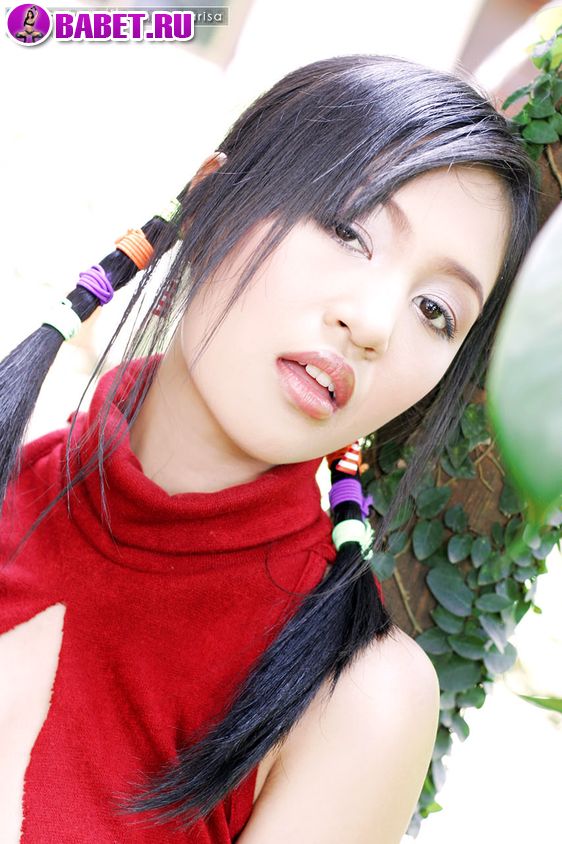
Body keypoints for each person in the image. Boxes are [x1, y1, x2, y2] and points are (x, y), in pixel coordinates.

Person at [0, 53, 538, 843]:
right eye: (350, 229)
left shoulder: (356, 700)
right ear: (211, 203)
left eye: (435, 310)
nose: (375, 322)